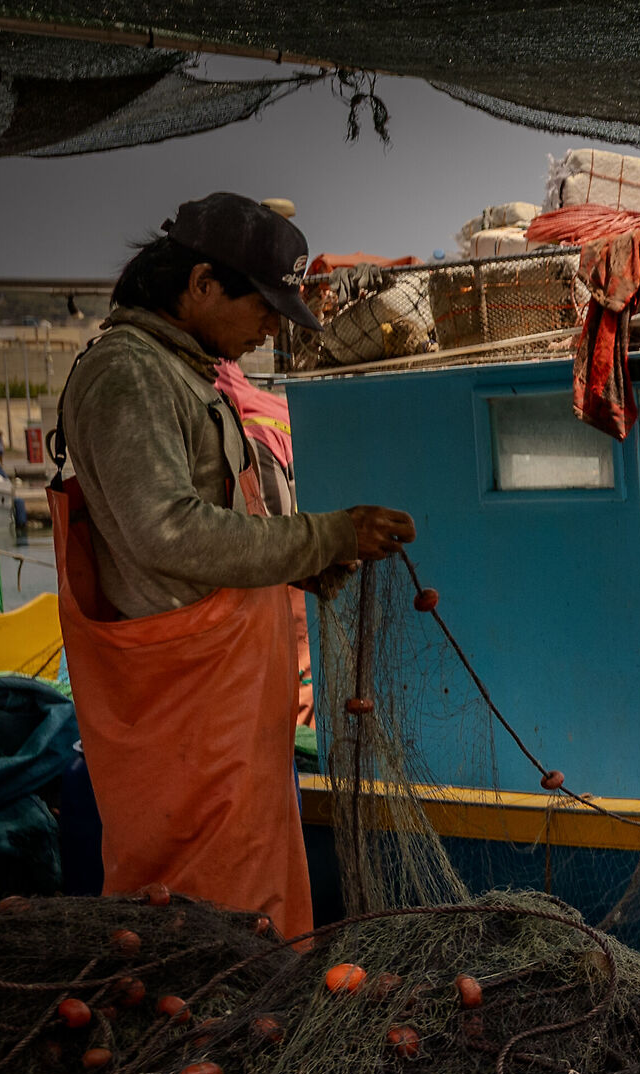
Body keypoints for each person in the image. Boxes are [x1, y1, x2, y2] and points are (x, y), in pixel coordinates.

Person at [53, 192, 416, 939]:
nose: (272, 327)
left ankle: (248, 1031)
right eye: (265, 306)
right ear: (201, 285)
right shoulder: (130, 375)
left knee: (250, 899)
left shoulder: (186, 373)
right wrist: (325, 537)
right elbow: (168, 534)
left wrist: (296, 568)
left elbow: (206, 529)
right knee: (197, 911)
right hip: (181, 710)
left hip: (222, 704)